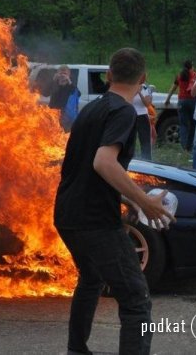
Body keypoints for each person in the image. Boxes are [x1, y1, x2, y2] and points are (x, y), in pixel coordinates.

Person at [54, 48, 175, 355]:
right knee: (136, 300)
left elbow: (85, 172)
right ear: (144, 79)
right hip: (94, 221)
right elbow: (103, 163)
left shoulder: (91, 109)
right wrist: (146, 202)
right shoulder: (122, 112)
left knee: (91, 280)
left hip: (68, 215)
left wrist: (130, 201)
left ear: (108, 75)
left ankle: (76, 350)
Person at [165, 60, 196, 151]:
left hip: (182, 101)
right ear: (192, 66)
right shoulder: (195, 75)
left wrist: (167, 99)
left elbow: (173, 88)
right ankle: (190, 146)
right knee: (193, 124)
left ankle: (184, 147)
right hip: (193, 101)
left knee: (183, 125)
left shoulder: (179, 75)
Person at [49, 64, 80, 131]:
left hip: (66, 117)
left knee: (65, 136)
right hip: (53, 115)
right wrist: (53, 80)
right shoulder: (54, 83)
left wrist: (69, 81)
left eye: (65, 73)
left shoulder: (70, 85)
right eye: (61, 73)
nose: (63, 75)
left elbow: (78, 94)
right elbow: (45, 92)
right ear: (57, 73)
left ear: (69, 74)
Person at [132, 83, 153, 160]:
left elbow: (147, 104)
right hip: (131, 116)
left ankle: (146, 160)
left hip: (142, 115)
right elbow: (126, 100)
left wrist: (140, 93)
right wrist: (134, 91)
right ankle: (131, 159)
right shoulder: (129, 84)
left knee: (145, 141)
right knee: (130, 140)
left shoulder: (144, 87)